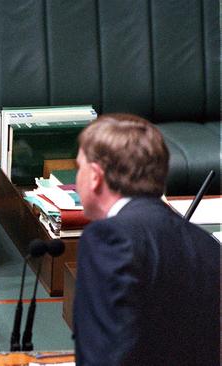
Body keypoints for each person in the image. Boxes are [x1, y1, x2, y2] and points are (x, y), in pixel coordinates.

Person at [72, 114, 219, 365]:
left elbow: (104, 352)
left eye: (79, 167)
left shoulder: (109, 238)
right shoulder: (207, 245)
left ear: (95, 176)